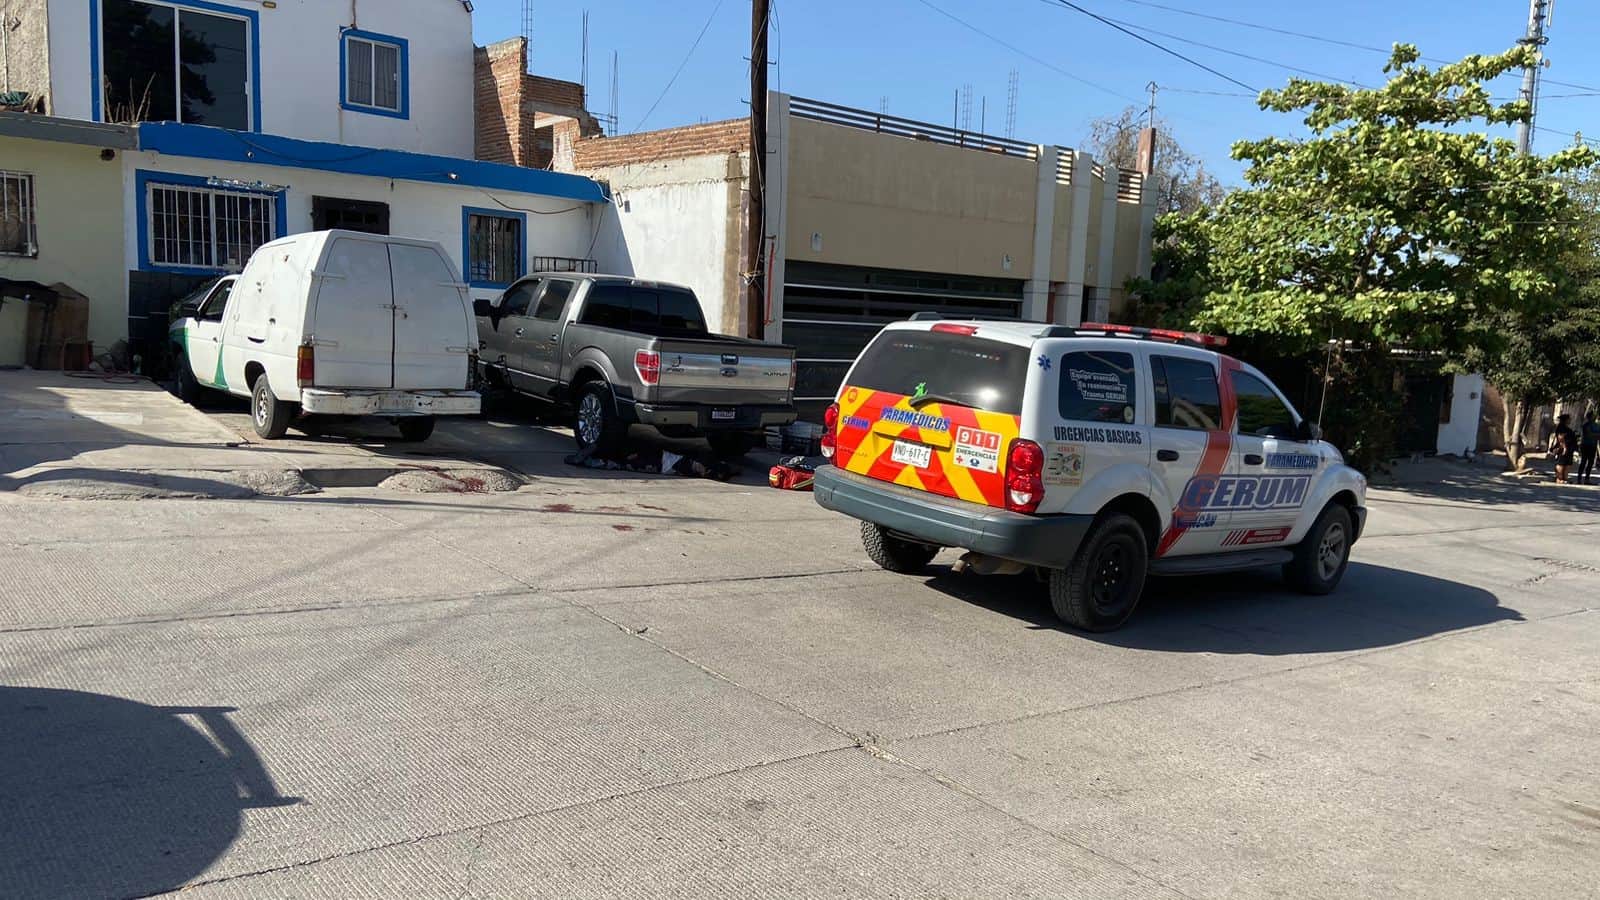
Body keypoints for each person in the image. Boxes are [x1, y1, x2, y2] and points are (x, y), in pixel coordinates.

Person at [1550, 413, 1578, 485]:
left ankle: (1564, 478)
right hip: (1563, 448)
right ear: (1565, 420)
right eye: (1569, 419)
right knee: (1561, 463)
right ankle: (1559, 478)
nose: (1570, 420)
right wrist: (1564, 447)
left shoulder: (1566, 428)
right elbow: (1561, 438)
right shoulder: (1561, 428)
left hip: (1569, 448)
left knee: (1567, 463)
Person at [1581, 411, 1600, 485]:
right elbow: (1589, 434)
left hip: (1593, 445)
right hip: (1586, 445)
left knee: (1591, 462)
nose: (1594, 417)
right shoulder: (1586, 425)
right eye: (1593, 416)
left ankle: (1587, 478)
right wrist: (1596, 435)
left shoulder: (1597, 425)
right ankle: (1579, 477)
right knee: (1583, 461)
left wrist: (1595, 435)